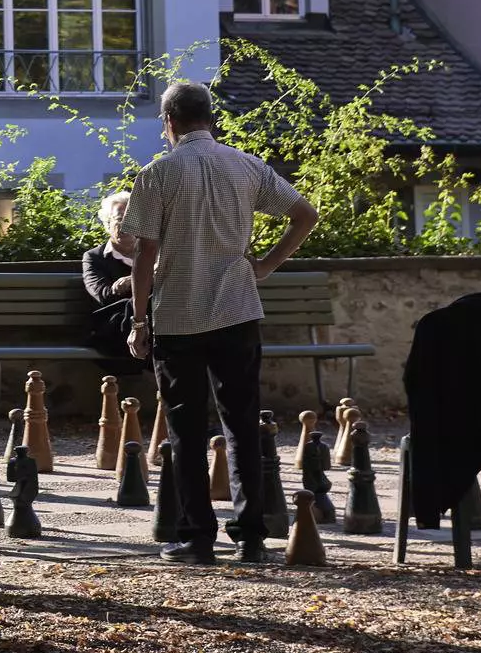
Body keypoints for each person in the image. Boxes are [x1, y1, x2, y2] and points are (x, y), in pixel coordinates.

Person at [122, 80, 319, 567]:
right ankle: (251, 535)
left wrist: (139, 320)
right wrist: (267, 265)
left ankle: (196, 537)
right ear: (211, 118)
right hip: (237, 309)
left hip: (179, 313)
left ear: (168, 121)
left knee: (186, 429)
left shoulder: (158, 173)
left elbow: (143, 251)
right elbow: (305, 214)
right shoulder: (247, 166)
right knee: (242, 423)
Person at [81, 191, 138, 356]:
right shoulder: (95, 257)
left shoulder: (152, 253)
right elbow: (103, 295)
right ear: (107, 223)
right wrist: (140, 280)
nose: (126, 225)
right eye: (120, 219)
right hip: (115, 326)